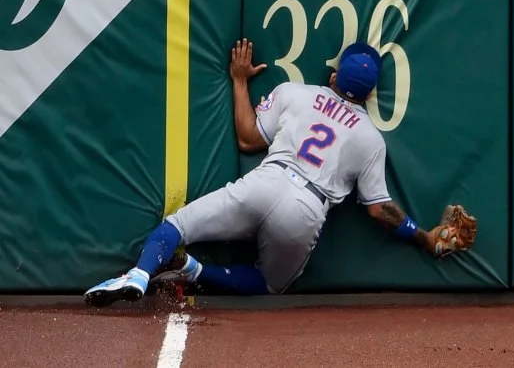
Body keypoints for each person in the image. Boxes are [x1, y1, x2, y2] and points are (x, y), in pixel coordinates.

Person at [84, 38, 465, 307]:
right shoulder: (370, 138)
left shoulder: (295, 93)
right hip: (307, 208)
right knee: (268, 285)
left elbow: (248, 139)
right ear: (368, 94)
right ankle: (193, 270)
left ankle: (140, 273)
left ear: (335, 76)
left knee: (176, 226)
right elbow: (380, 210)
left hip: (267, 181)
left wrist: (239, 80)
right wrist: (425, 237)